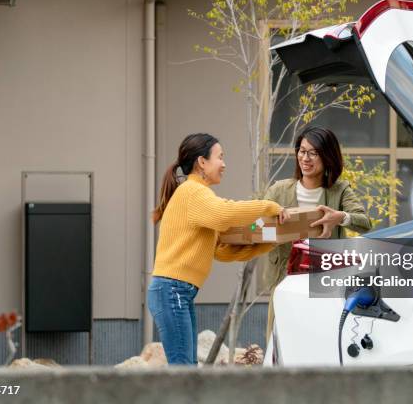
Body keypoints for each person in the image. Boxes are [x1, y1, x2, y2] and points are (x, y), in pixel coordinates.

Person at [149, 133, 289, 365]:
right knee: (183, 371)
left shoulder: (197, 196)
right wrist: (269, 206)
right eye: (220, 157)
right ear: (201, 162)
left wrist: (269, 242)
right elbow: (224, 215)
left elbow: (221, 250)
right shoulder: (193, 192)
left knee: (186, 369)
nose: (224, 164)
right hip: (172, 290)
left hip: (177, 291)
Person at [263, 126, 372, 339]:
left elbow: (364, 222)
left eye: (313, 153)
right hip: (286, 280)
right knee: (281, 341)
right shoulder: (279, 190)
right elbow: (254, 227)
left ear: (327, 156)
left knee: (320, 341)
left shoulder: (339, 191)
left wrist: (340, 217)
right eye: (302, 151)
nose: (306, 158)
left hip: (324, 283)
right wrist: (273, 230)